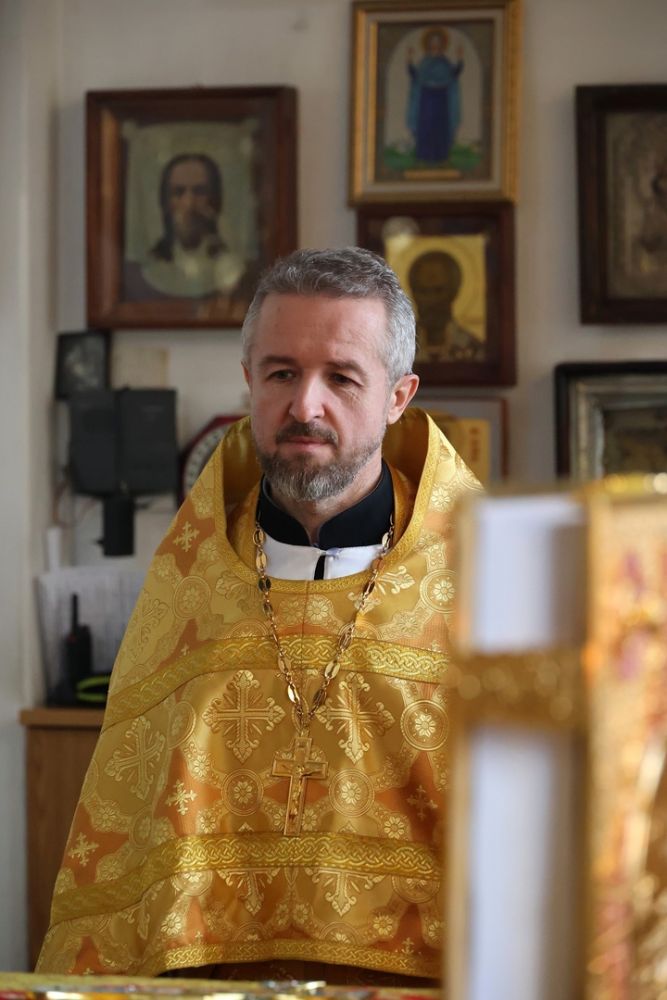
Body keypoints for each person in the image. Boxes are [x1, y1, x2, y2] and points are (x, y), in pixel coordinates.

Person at [37, 247, 480, 982]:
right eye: (281, 373)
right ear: (249, 379)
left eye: (342, 377)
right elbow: (130, 831)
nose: (305, 406)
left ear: (398, 396)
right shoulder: (190, 582)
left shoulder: (482, 577)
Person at [124, 152, 245, 300]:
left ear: (214, 200)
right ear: (165, 202)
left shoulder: (232, 266)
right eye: (178, 192)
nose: (189, 204)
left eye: (199, 192)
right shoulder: (149, 267)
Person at [409, 250, 484, 362]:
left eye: (438, 291)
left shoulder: (474, 349)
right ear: (413, 294)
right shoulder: (399, 349)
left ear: (454, 292)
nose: (431, 300)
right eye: (423, 291)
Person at [406, 27, 463, 165]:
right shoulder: (424, 62)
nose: (435, 45)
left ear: (441, 45)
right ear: (429, 44)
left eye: (437, 42)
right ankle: (424, 156)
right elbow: (416, 76)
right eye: (433, 42)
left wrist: (460, 59)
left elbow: (453, 74)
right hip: (426, 99)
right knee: (426, 126)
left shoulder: (445, 62)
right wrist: (409, 60)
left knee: (441, 127)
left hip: (441, 99)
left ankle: (442, 156)